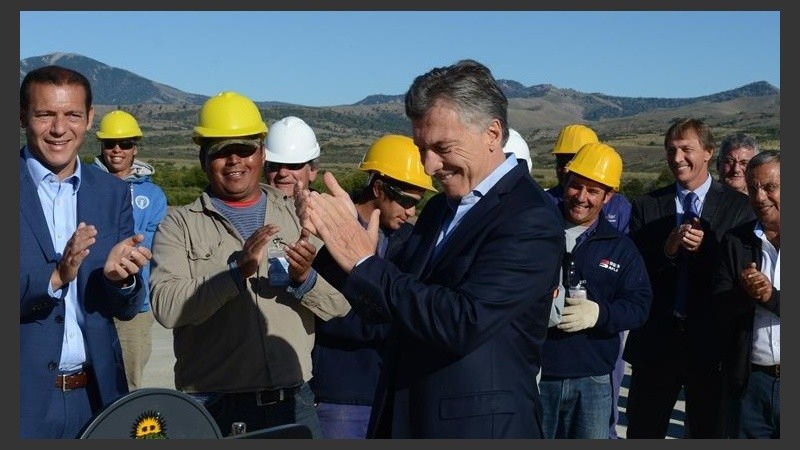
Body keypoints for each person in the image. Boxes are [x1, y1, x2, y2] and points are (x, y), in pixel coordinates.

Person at [294, 59, 564, 438]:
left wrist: (364, 261)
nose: (428, 165)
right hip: (407, 415)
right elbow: (389, 301)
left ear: (492, 132)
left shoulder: (528, 218)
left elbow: (463, 321)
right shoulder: (441, 208)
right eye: (422, 148)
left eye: (442, 147)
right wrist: (332, 242)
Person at [148, 91, 350, 438]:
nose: (234, 161)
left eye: (244, 150)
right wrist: (235, 273)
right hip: (212, 405)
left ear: (261, 154)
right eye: (220, 152)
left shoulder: (298, 216)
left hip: (293, 400)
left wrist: (304, 280)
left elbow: (341, 306)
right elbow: (166, 308)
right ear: (202, 159)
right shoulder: (178, 225)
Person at [20, 65, 151, 438]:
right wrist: (57, 276)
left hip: (97, 398)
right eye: (45, 115)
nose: (60, 129)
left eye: (72, 115)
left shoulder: (110, 193)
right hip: (21, 402)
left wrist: (121, 281)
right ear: (22, 116)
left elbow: (125, 307)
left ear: (90, 118)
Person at [623, 117, 755, 438]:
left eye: (686, 149)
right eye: (671, 150)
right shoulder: (646, 206)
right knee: (643, 431)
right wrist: (666, 251)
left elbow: (739, 276)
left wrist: (708, 250)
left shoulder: (740, 207)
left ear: (708, 152)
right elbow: (633, 273)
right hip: (656, 345)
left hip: (711, 348)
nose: (677, 158)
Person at [310, 134, 437, 439]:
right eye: (406, 201)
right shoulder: (330, 232)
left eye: (417, 202)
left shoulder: (410, 241)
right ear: (378, 188)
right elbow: (330, 317)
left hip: (392, 390)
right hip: (343, 393)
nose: (411, 212)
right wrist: (398, 322)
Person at [539, 142, 652, 439]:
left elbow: (640, 305)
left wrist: (601, 314)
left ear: (608, 196)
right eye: (576, 186)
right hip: (538, 374)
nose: (581, 197)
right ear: (566, 182)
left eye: (593, 191)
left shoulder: (619, 247)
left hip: (593, 381)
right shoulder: (537, 232)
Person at [92, 110, 168, 390]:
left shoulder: (154, 195)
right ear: (101, 146)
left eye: (124, 144)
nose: (117, 150)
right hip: (91, 301)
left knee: (129, 384)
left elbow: (159, 249)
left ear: (134, 148)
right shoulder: (85, 184)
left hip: (136, 306)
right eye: (110, 143)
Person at [713, 150, 780, 439]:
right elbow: (718, 308)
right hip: (751, 385)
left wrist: (770, 297)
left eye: (769, 187)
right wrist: (746, 294)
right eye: (753, 189)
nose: (760, 197)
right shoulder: (736, 241)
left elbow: (768, 298)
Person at [264, 115, 321, 197]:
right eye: (274, 165)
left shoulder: (330, 209)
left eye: (293, 165)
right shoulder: (252, 208)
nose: (282, 173)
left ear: (312, 170)